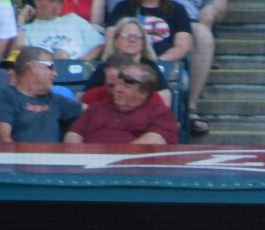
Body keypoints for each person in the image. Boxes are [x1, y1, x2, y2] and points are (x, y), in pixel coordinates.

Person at [68, 59, 180, 142]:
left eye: (126, 86)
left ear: (144, 92)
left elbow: (154, 140)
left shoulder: (161, 114)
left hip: (131, 168)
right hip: (89, 166)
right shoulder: (96, 108)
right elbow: (73, 134)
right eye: (117, 84)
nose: (117, 89)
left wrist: (112, 159)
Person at [0, 46, 83, 141]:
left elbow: (92, 111)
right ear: (33, 67)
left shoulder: (57, 100)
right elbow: (4, 137)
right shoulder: (5, 94)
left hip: (51, 155)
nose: (55, 74)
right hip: (19, 154)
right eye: (50, 67)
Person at [83, 19, 172, 106]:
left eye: (137, 36)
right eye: (126, 35)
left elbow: (164, 99)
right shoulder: (105, 67)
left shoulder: (150, 67)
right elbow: (85, 101)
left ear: (143, 42)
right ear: (116, 41)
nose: (132, 40)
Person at [174, 0, 226, 135]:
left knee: (202, 34)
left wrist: (211, 8)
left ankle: (190, 108)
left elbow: (219, 4)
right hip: (139, 17)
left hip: (187, 20)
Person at [105, 0, 193, 64]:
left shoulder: (177, 9)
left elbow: (182, 48)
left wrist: (157, 63)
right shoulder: (122, 7)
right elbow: (111, 41)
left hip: (163, 65)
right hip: (125, 64)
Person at [16, 0, 104, 60]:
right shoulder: (27, 28)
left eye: (59, 2)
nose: (56, 6)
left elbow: (100, 44)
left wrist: (87, 58)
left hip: (77, 72)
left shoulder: (73, 19)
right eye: (52, 1)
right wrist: (21, 19)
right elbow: (14, 57)